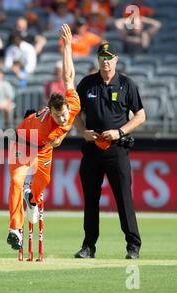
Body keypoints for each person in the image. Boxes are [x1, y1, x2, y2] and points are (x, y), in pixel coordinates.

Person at [7, 24, 80, 250]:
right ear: (50, 111)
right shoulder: (45, 125)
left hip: (44, 147)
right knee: (17, 182)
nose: (62, 119)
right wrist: (58, 138)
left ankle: (33, 199)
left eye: (65, 114)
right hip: (23, 142)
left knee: (44, 181)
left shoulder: (73, 103)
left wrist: (67, 47)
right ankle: (15, 230)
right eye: (58, 115)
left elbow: (68, 76)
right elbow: (55, 140)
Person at [74, 41, 146, 259]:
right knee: (91, 199)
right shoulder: (87, 83)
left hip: (117, 149)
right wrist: (83, 132)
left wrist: (120, 132)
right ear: (98, 60)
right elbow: (74, 114)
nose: (105, 62)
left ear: (116, 59)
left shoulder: (126, 84)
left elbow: (141, 115)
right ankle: (88, 246)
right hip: (92, 147)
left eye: (109, 57)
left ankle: (133, 245)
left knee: (124, 198)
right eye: (102, 57)